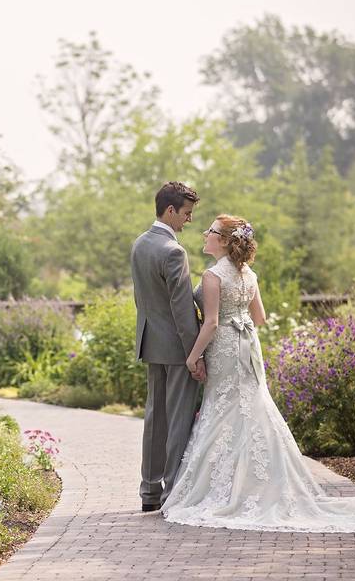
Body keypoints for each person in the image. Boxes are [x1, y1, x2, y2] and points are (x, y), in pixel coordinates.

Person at [161, 214, 355, 534]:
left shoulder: (212, 275)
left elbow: (211, 323)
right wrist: (240, 318)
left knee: (224, 412)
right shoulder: (249, 274)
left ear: (222, 240)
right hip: (248, 347)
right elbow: (259, 318)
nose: (205, 234)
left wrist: (193, 356)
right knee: (250, 410)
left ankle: (228, 487)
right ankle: (257, 483)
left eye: (211, 231)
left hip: (224, 349)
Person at [130, 181, 205, 512]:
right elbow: (182, 310)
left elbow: (141, 300)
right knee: (177, 421)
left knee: (154, 419)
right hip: (176, 348)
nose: (188, 221)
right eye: (186, 214)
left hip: (150, 342)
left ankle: (149, 491)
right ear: (170, 210)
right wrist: (195, 354)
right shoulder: (174, 251)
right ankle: (173, 492)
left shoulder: (139, 245)